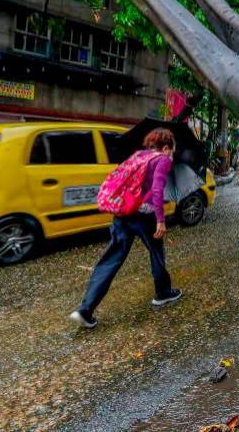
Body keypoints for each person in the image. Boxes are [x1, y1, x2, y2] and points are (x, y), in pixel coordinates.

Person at [70, 128, 182, 329]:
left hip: (122, 213)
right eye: (171, 151)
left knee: (111, 258)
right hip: (143, 216)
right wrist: (160, 220)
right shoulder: (162, 160)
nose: (171, 155)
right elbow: (157, 191)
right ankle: (163, 293)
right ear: (166, 148)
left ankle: (85, 309)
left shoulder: (139, 156)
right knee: (156, 253)